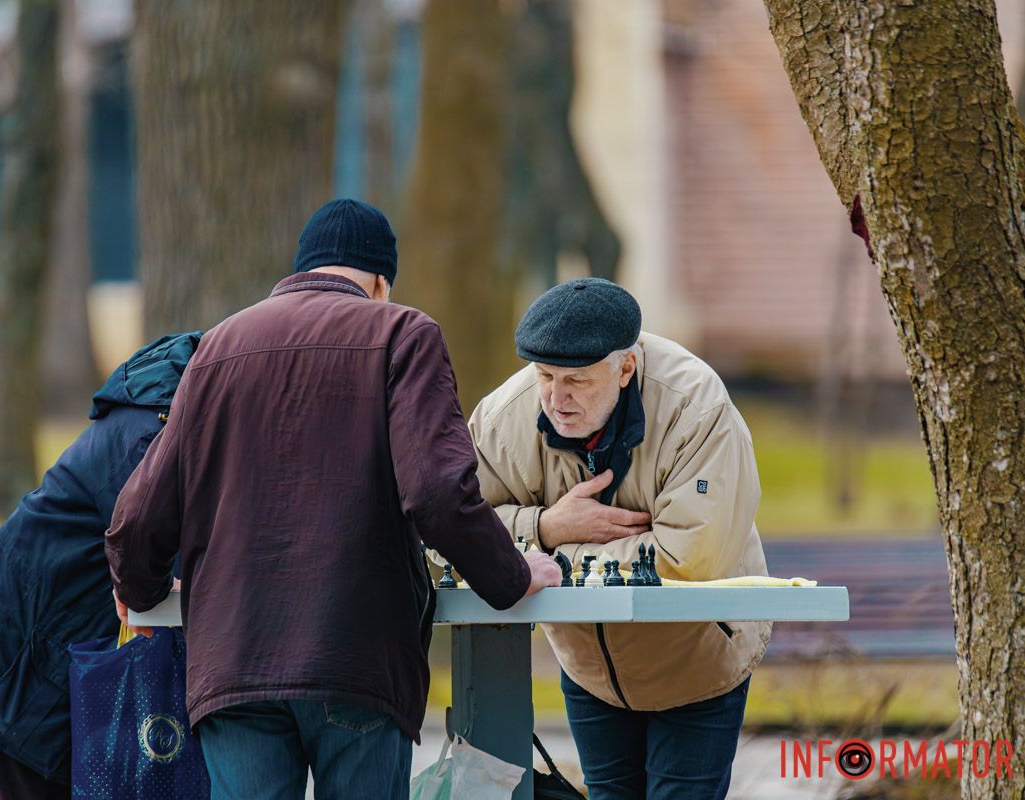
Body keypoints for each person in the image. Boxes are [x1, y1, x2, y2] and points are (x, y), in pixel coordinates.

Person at [105, 198, 561, 800]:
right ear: (379, 282)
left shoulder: (216, 348)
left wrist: (140, 593)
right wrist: (510, 574)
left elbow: (138, 516)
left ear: (298, 272)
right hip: (357, 657)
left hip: (233, 660)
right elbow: (436, 492)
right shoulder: (403, 332)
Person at [468, 278, 770, 800]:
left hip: (696, 662)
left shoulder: (696, 409)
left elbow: (689, 559)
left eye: (578, 382)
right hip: (590, 672)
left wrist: (547, 556)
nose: (556, 399)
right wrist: (545, 527)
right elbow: (454, 534)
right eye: (544, 376)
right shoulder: (503, 420)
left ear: (625, 367)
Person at [0, 332, 202, 799]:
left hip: (34, 658)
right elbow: (147, 557)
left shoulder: (162, 420)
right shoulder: (149, 438)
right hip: (11, 672)